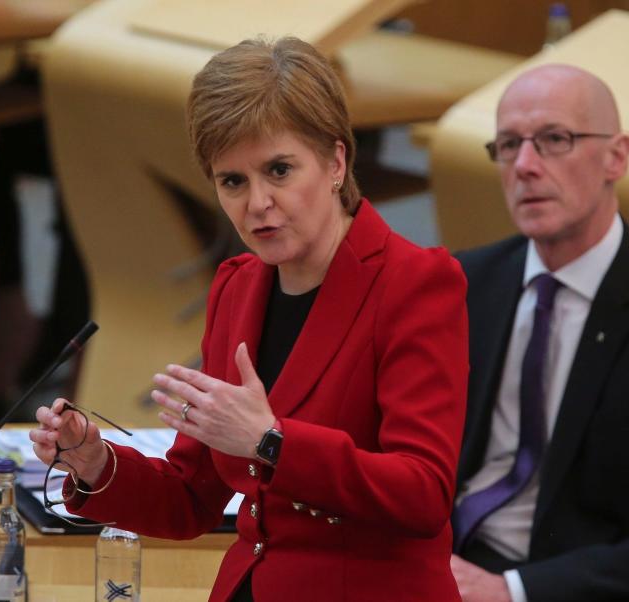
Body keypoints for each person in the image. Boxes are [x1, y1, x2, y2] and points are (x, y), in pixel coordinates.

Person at [29, 37, 468, 602]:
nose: (256, 202)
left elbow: (423, 494)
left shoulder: (415, 283)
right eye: (232, 181)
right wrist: (95, 461)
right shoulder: (238, 286)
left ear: (336, 162)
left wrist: (272, 443)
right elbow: (191, 499)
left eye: (279, 170)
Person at [448, 64, 629, 602]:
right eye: (509, 145)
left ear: (618, 157)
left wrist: (510, 591)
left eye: (555, 140)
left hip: (554, 583)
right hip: (441, 557)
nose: (526, 166)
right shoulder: (468, 281)